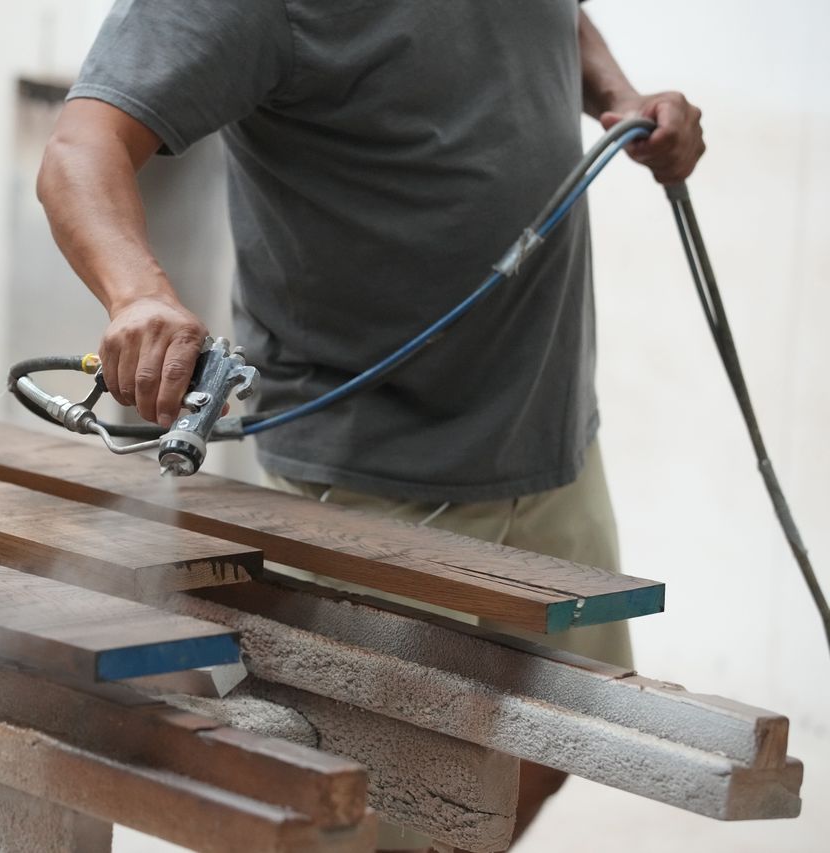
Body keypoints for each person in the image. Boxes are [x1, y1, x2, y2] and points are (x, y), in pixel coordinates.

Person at [37, 2, 704, 848]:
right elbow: (78, 150)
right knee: (362, 802)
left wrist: (623, 97)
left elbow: (551, 19)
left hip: (547, 430)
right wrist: (136, 294)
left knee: (565, 723)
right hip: (366, 472)